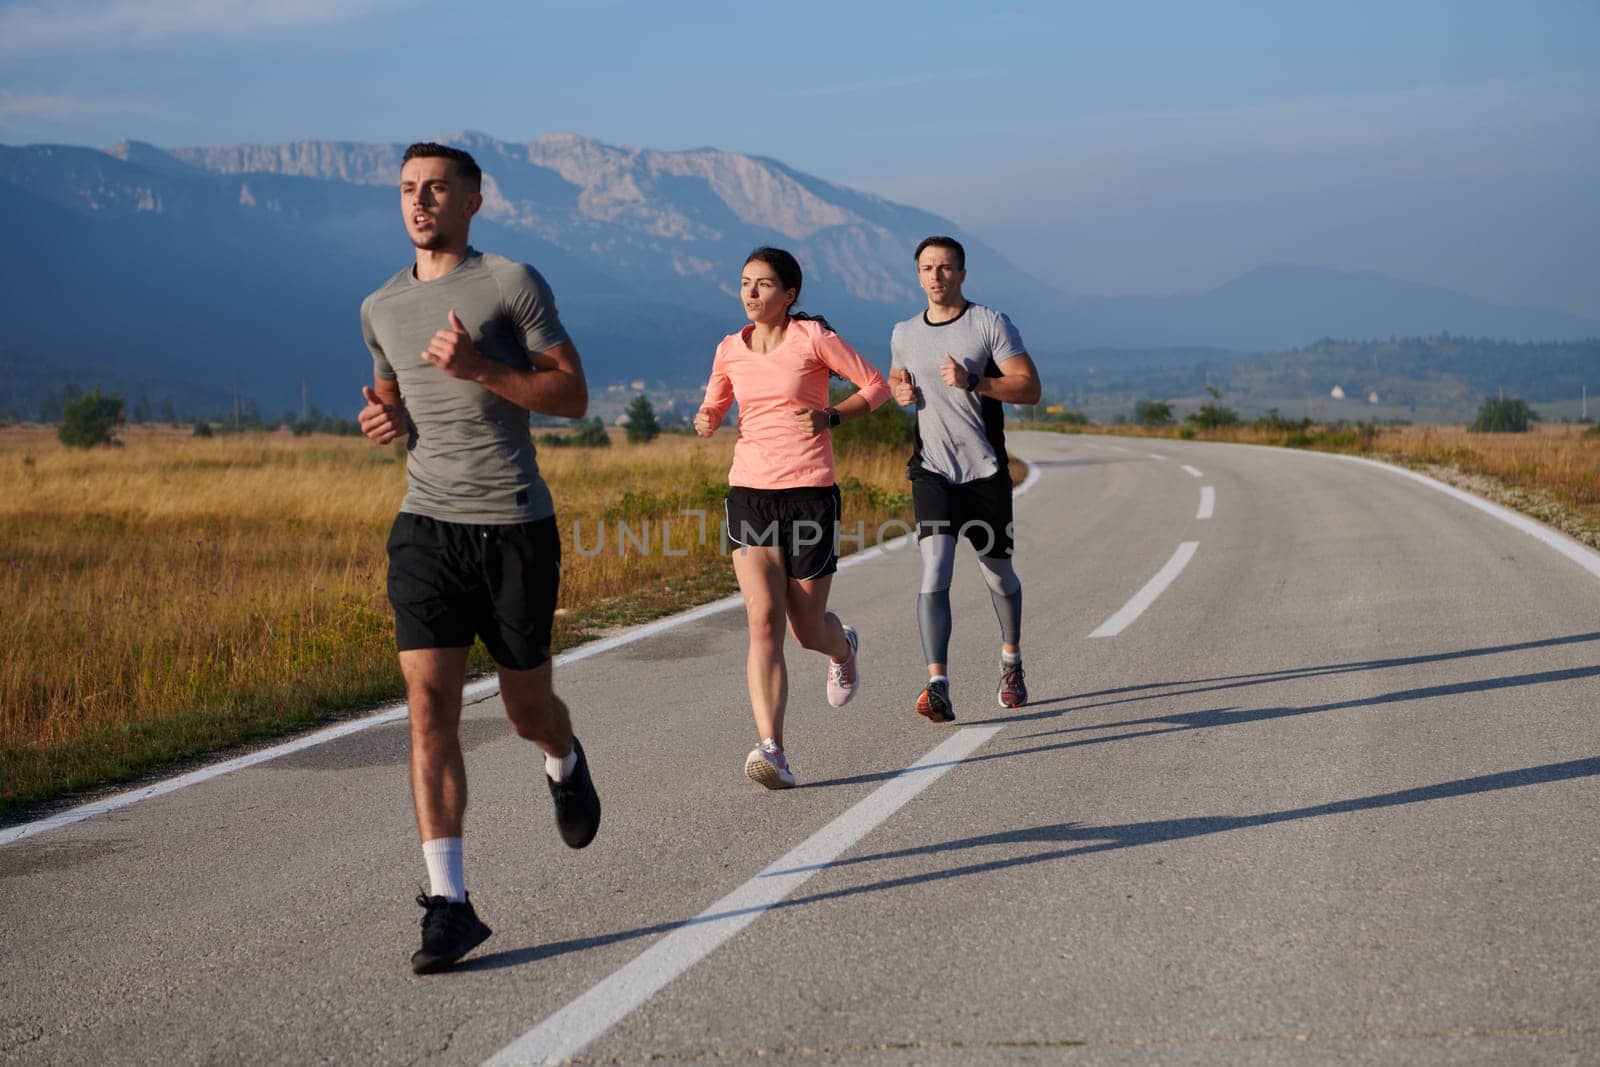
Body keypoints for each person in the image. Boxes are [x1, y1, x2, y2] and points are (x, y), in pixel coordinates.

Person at [357, 142, 601, 975]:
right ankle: (450, 904)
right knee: (429, 709)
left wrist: (481, 367)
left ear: (472, 201)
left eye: (435, 189)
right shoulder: (380, 306)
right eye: (406, 190)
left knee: (527, 708)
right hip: (426, 526)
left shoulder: (510, 283)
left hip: (514, 528)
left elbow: (570, 395)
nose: (418, 201)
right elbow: (392, 397)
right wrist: (386, 423)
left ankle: (563, 759)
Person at [694, 247, 890, 789]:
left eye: (763, 284)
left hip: (809, 495)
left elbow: (877, 386)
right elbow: (717, 398)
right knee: (762, 622)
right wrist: (708, 416)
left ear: (790, 295)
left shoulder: (813, 339)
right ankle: (772, 748)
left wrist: (830, 416)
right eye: (744, 283)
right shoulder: (730, 348)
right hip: (750, 493)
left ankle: (842, 647)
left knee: (806, 630)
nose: (751, 293)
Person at [888, 236, 1042, 722]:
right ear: (918, 275)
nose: (937, 276)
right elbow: (898, 378)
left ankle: (1011, 660)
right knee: (935, 570)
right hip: (932, 471)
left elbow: (1030, 388)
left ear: (962, 274)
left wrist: (975, 381)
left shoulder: (989, 324)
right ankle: (938, 684)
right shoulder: (904, 332)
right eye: (928, 268)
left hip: (985, 473)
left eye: (947, 268)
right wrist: (899, 391)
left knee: (997, 573)